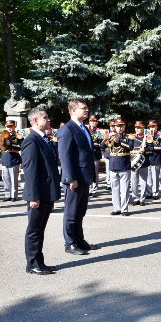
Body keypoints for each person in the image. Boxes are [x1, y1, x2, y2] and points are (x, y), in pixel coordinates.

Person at [22, 107, 61, 275]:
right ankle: (32, 264)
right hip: (37, 194)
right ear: (35, 121)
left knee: (40, 230)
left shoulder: (44, 139)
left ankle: (39, 262)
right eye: (45, 117)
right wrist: (33, 196)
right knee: (34, 230)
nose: (48, 120)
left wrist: (51, 197)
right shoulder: (32, 141)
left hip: (46, 193)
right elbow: (30, 170)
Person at [57, 99, 99, 255]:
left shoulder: (83, 128)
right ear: (73, 110)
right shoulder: (67, 129)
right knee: (71, 212)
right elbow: (65, 157)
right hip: (74, 179)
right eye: (83, 108)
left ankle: (79, 239)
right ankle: (70, 243)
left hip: (84, 177)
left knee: (80, 211)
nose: (87, 110)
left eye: (87, 108)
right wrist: (70, 178)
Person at [103, 118, 133, 216]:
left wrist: (119, 141)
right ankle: (116, 208)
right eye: (117, 126)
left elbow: (130, 147)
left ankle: (124, 209)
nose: (119, 128)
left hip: (124, 165)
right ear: (114, 127)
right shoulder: (110, 136)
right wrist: (107, 138)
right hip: (113, 166)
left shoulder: (129, 137)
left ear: (124, 127)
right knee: (114, 189)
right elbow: (102, 146)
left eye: (121, 126)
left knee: (124, 190)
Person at [0, 120, 23, 202]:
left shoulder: (17, 136)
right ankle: (7, 194)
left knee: (13, 179)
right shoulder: (3, 135)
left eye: (11, 126)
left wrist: (10, 145)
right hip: (5, 158)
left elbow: (20, 147)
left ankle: (14, 195)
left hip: (13, 158)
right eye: (8, 126)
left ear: (14, 127)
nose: (9, 128)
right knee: (5, 178)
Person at [87, 115, 104, 197]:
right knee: (88, 171)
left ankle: (94, 189)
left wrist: (96, 144)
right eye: (91, 121)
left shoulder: (99, 132)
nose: (93, 123)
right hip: (88, 154)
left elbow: (102, 143)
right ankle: (89, 188)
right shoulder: (86, 130)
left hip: (96, 154)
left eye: (94, 121)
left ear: (97, 122)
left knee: (95, 172)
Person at [145, 120, 161, 199]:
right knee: (148, 176)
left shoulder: (160, 135)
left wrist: (152, 148)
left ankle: (155, 192)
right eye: (150, 127)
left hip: (155, 158)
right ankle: (149, 192)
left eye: (153, 126)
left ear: (156, 127)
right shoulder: (146, 135)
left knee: (155, 177)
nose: (151, 128)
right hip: (147, 158)